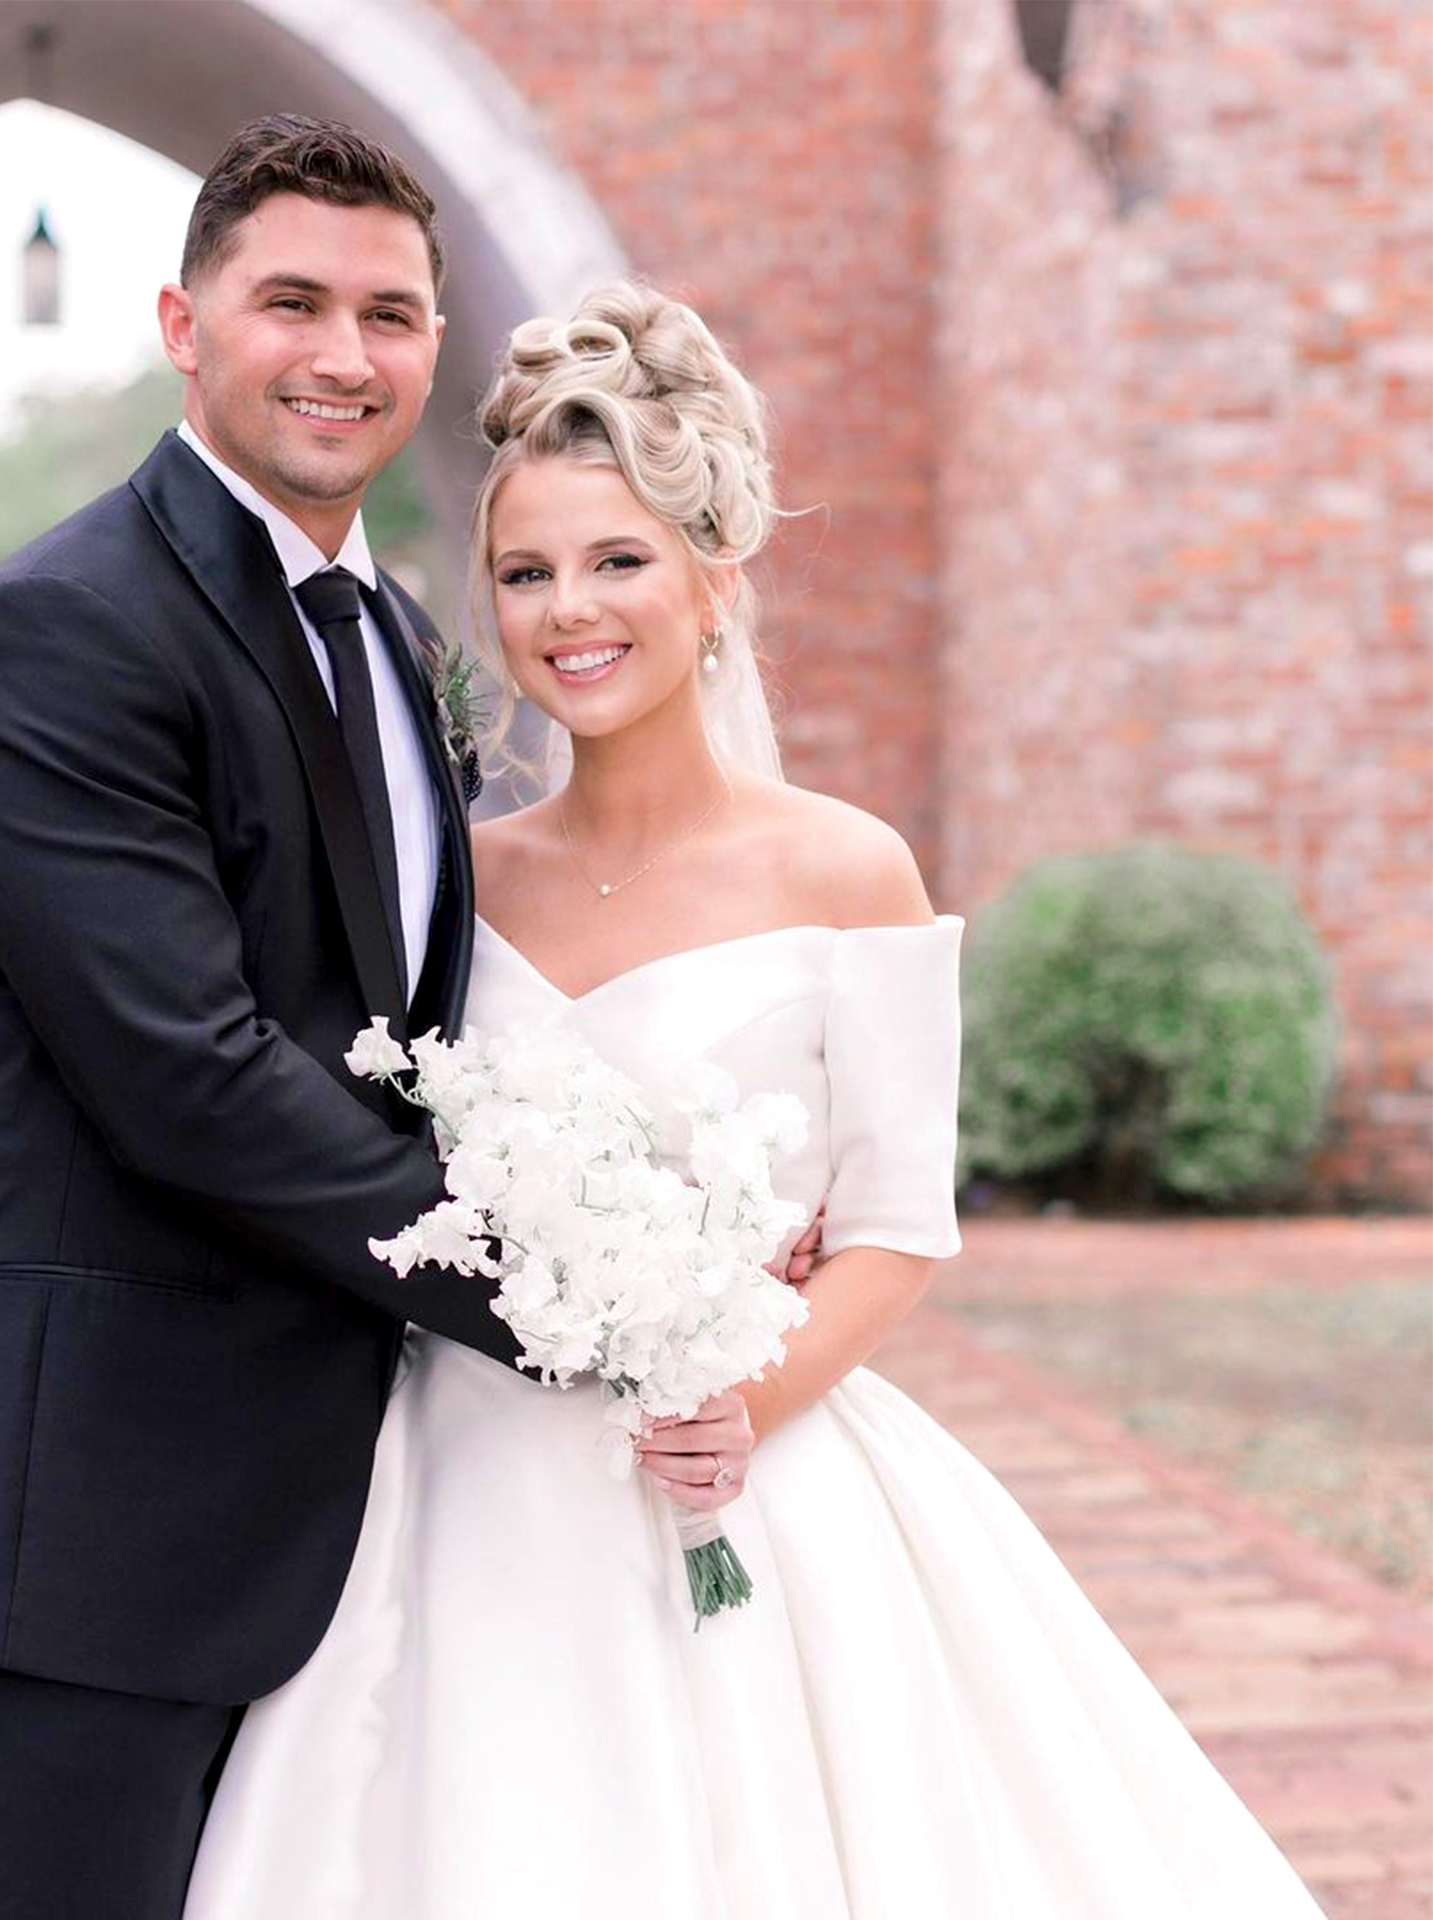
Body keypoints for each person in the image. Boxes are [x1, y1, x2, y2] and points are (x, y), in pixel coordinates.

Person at [179, 283, 1332, 1919]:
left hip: (740, 1473)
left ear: (715, 584)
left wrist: (747, 1402)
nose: (569, 611)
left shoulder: (846, 869)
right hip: (463, 1483)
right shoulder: (452, 876)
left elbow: (893, 1229)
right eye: (525, 573)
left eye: (618, 560)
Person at [0, 122, 759, 1919]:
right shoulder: (66, 632)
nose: (345, 353)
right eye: (291, 301)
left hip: (355, 1497)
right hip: (92, 1496)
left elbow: (411, 1030)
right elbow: (196, 1082)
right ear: (184, 323)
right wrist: (586, 1305)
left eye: (392, 313)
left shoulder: (389, 634)